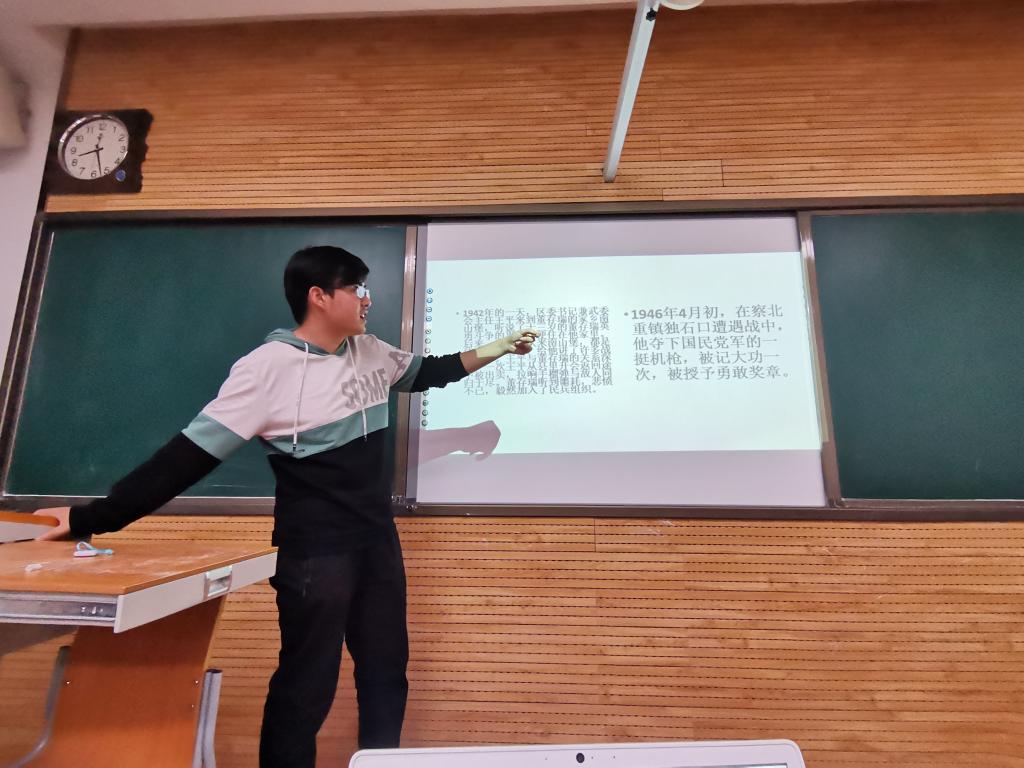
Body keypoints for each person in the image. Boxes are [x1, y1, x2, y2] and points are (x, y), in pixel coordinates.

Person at [33, 244, 539, 768]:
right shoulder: (265, 370)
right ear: (319, 296)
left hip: (376, 541)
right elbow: (183, 461)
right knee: (307, 684)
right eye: (357, 288)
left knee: (386, 671)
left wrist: (497, 348)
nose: (368, 299)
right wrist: (91, 518)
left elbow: (431, 372)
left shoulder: (369, 351)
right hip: (315, 553)